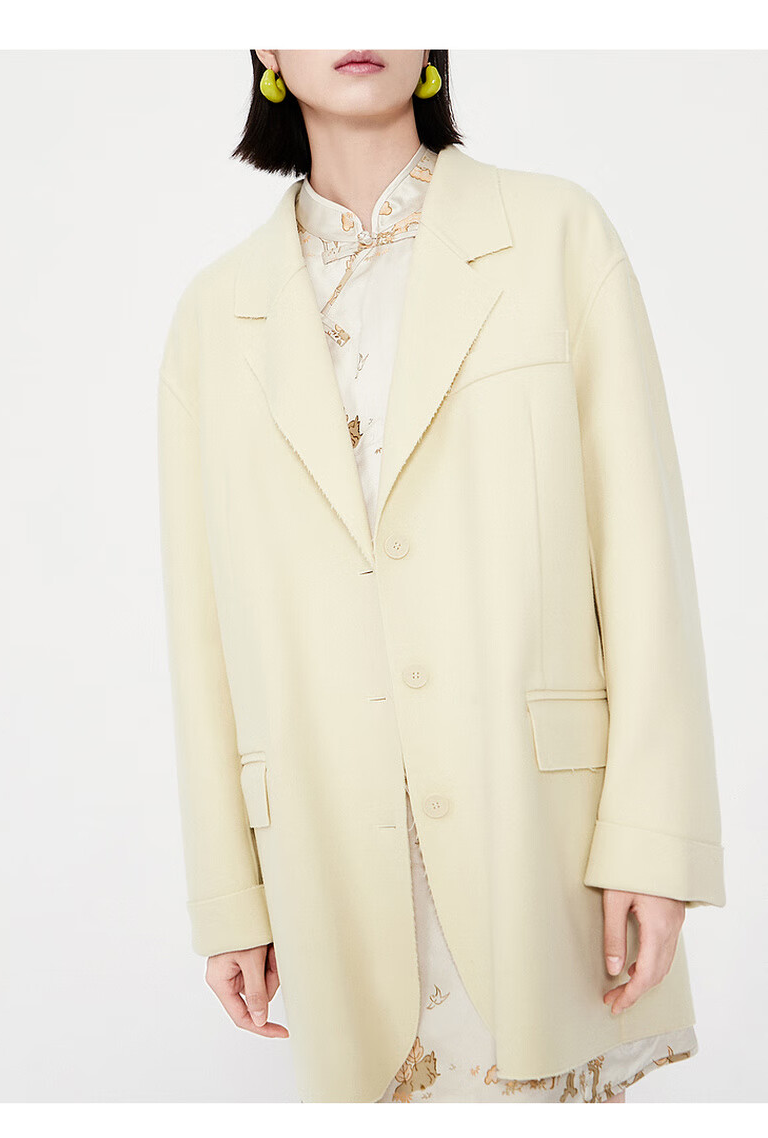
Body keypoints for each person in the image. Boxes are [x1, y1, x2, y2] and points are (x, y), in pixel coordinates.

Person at [156, 49, 726, 1104]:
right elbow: (202, 633)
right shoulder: (213, 317)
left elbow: (643, 554)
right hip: (328, 850)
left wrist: (654, 838)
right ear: (265, 50)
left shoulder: (555, 235)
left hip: (536, 834)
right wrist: (228, 894)